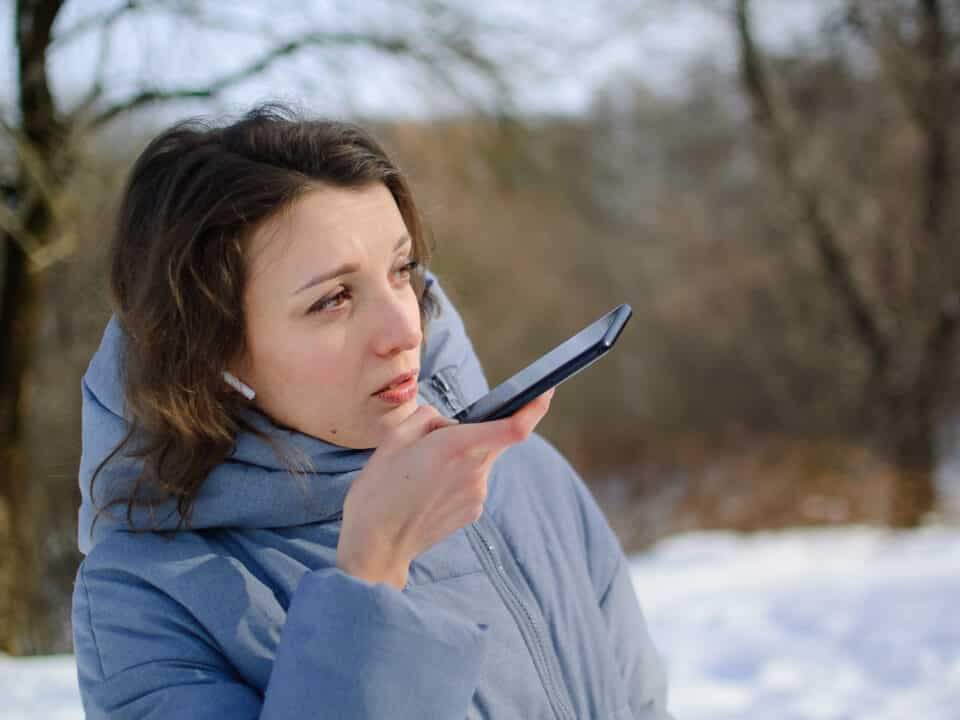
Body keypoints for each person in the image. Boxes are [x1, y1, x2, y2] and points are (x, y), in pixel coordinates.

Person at [72, 104, 672, 720]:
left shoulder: (524, 476)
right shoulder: (144, 596)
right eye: (333, 298)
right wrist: (372, 574)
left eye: (402, 269)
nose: (403, 327)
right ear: (212, 350)